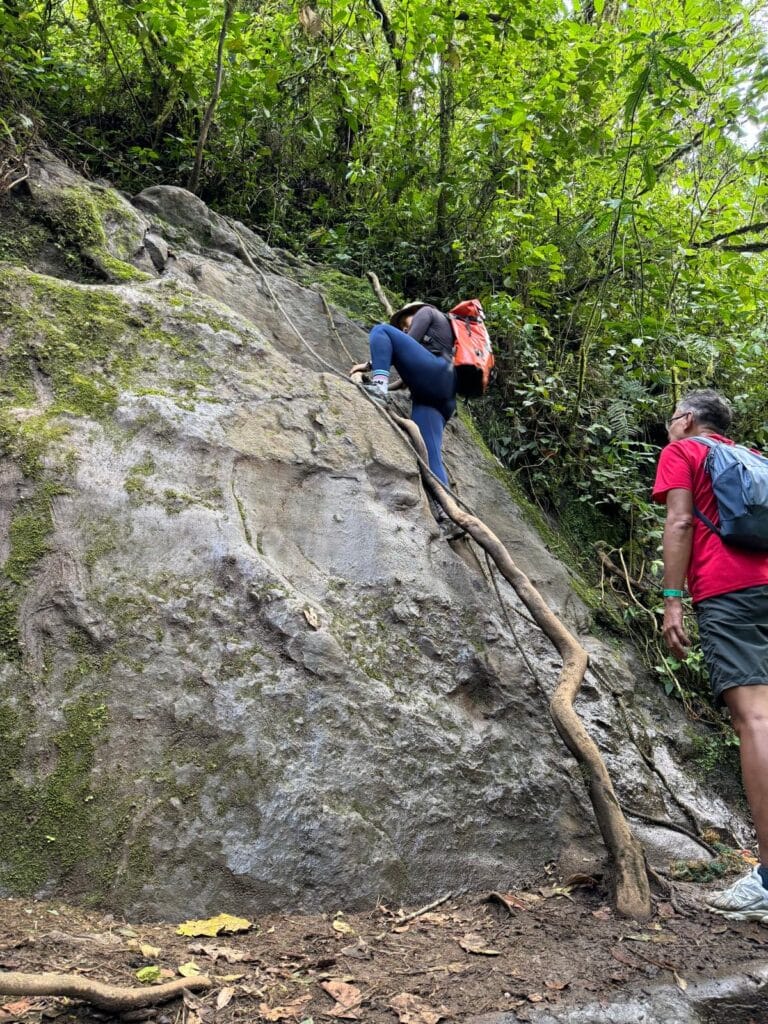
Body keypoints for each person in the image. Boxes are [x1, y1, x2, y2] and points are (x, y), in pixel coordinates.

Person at [652, 388, 768, 920]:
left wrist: (673, 600)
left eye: (673, 415)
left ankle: (766, 880)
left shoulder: (685, 452)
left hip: (728, 592)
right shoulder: (755, 459)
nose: (669, 424)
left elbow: (680, 523)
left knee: (756, 721)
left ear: (690, 419)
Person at [350, 302, 457, 491]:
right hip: (440, 397)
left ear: (413, 311)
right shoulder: (434, 342)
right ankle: (445, 504)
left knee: (381, 330)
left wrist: (369, 365)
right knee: (430, 455)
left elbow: (410, 340)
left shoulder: (427, 312)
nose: (404, 329)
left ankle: (379, 388)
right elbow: (403, 383)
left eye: (404, 323)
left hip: (437, 371)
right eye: (402, 328)